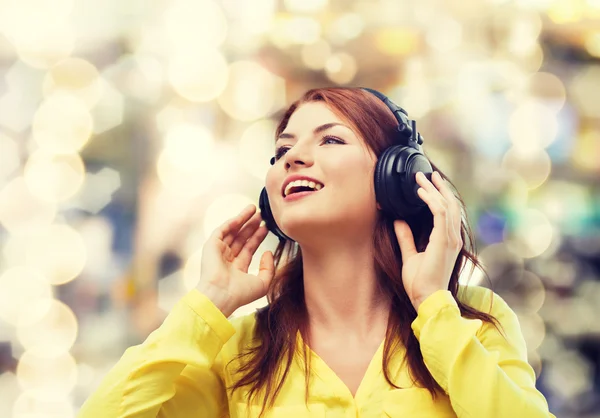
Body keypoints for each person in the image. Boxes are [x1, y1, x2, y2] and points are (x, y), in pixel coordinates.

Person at [78, 88, 555, 417]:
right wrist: (208, 303)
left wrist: (434, 307)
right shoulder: (238, 350)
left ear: (397, 178)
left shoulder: (475, 324)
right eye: (282, 150)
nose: (293, 157)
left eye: (330, 139)